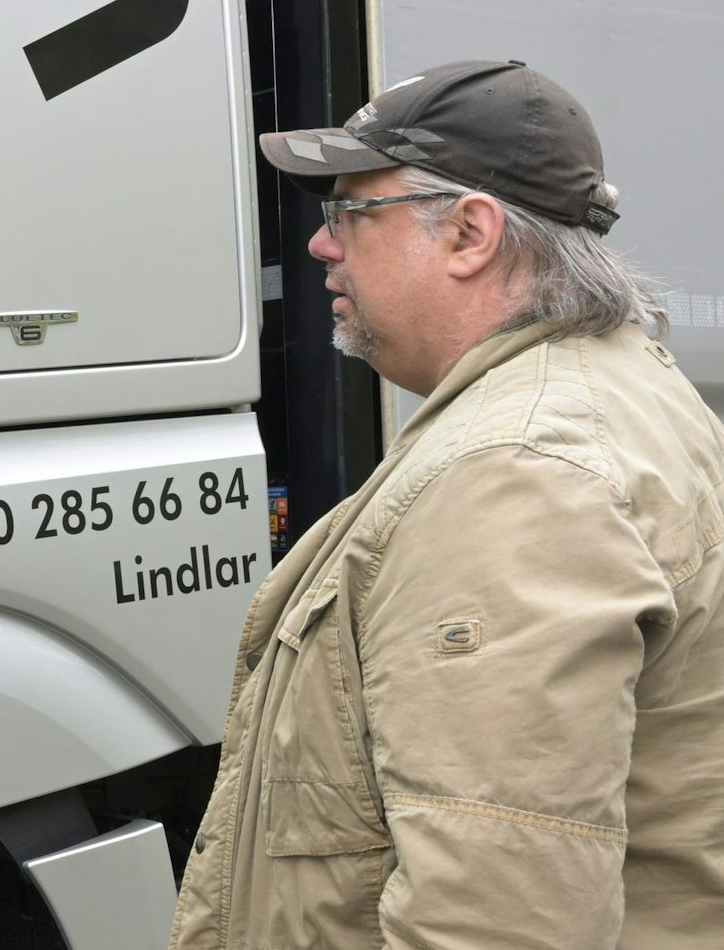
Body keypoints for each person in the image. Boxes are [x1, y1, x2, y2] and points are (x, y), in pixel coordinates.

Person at [169, 60, 724, 948]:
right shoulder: (612, 386)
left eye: (351, 211)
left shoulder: (518, 473)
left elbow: (499, 914)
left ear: (470, 233)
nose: (322, 244)